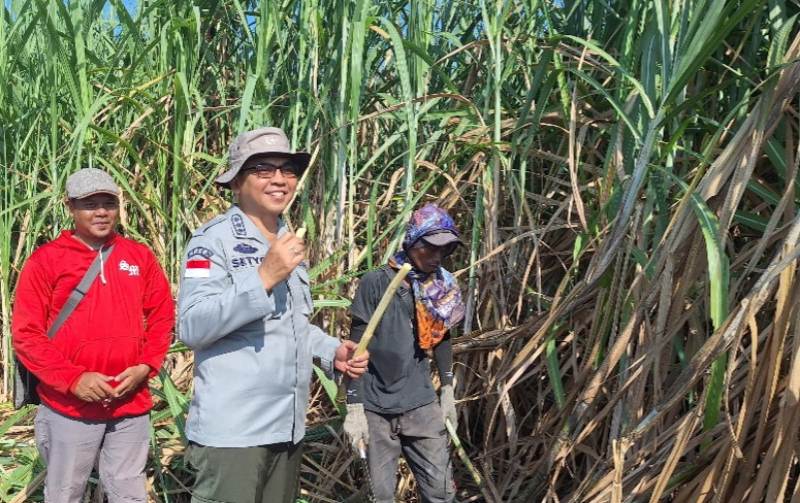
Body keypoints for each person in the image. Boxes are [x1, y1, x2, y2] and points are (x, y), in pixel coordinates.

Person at [178, 126, 369, 503]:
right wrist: (263, 277)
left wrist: (333, 351)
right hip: (235, 435)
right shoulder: (208, 241)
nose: (279, 179)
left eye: (288, 170)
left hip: (286, 428)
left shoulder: (287, 241)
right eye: (263, 169)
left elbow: (291, 325)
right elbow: (192, 325)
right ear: (235, 183)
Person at [11, 168, 175, 503]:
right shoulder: (46, 261)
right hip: (70, 408)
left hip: (130, 404)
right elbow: (26, 335)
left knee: (129, 492)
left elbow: (162, 316)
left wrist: (146, 366)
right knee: (66, 493)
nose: (101, 212)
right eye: (90, 204)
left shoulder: (138, 256)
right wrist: (73, 380)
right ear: (70, 207)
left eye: (108, 203)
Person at [343, 203, 464, 503]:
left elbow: (442, 336)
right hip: (376, 407)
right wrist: (354, 406)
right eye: (430, 248)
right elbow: (356, 346)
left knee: (441, 492)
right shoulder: (376, 282)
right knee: (381, 495)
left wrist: (447, 389)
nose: (437, 257)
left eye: (445, 250)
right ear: (412, 242)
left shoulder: (442, 286)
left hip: (420, 403)